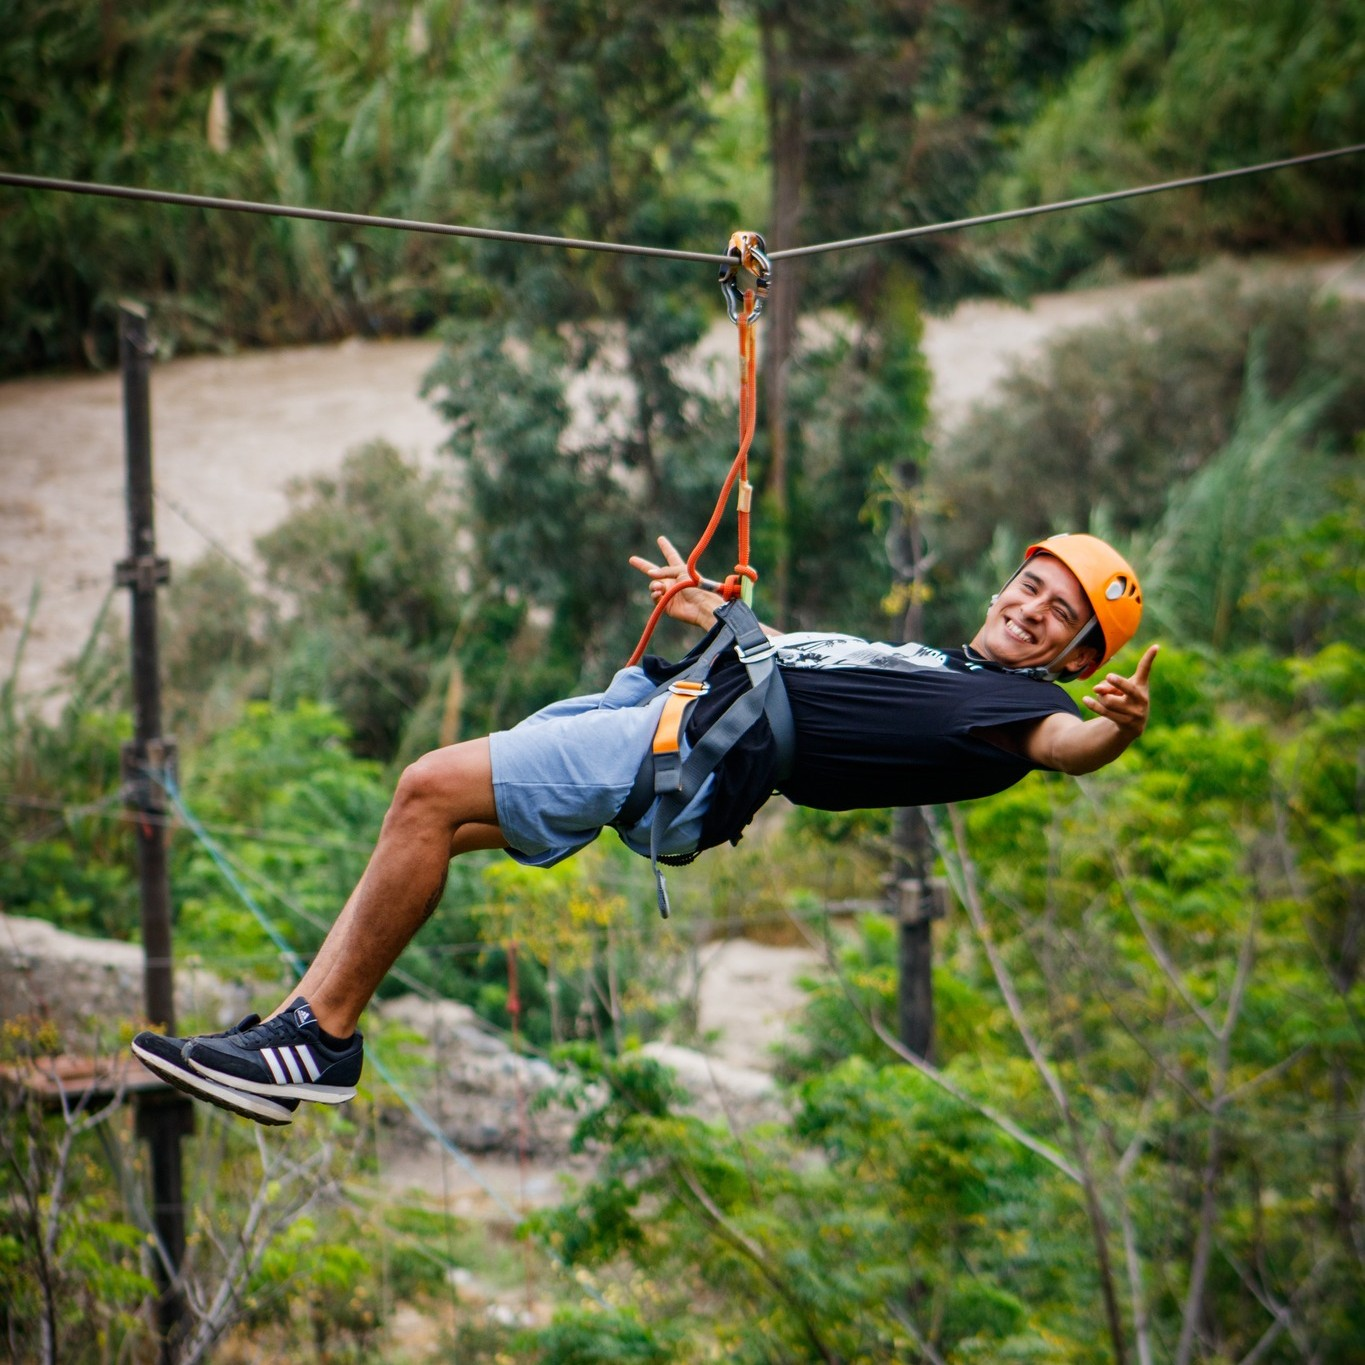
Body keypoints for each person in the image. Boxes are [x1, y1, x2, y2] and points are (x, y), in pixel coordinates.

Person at [133, 531, 1157, 1126]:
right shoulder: (941, 668)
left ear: (1073, 661)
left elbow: (1066, 755)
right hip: (673, 717)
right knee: (431, 824)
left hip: (688, 754)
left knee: (424, 788)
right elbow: (789, 662)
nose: (1033, 609)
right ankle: (296, 1028)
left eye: (1062, 616)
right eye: (1033, 586)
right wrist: (710, 613)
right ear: (1004, 584)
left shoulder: (1021, 715)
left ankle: (320, 1042)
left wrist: (1112, 732)